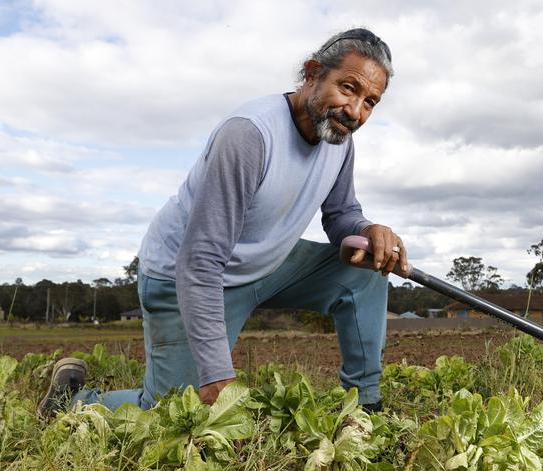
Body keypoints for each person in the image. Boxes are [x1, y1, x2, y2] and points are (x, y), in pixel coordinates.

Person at [38, 27, 407, 418]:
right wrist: (215, 375)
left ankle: (367, 404)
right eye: (348, 88)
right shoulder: (249, 135)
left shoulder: (339, 138)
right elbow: (200, 260)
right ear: (313, 72)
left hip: (265, 261)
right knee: (173, 412)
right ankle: (68, 403)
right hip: (188, 274)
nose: (355, 111)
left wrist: (367, 231)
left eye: (370, 102)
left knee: (363, 271)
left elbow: (340, 215)